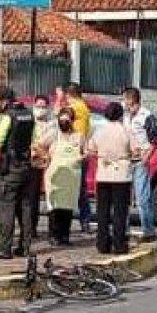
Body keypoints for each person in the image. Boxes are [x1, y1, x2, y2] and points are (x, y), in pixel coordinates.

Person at [0, 86, 35, 259]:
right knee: (25, 208)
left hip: (10, 168)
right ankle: (26, 246)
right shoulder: (28, 114)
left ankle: (4, 248)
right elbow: (33, 139)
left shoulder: (7, 116)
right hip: (26, 166)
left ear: (3, 101)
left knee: (6, 207)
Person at [87, 102, 137, 255]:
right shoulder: (126, 131)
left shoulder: (99, 131)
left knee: (102, 211)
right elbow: (135, 150)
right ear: (121, 115)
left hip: (104, 173)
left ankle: (102, 244)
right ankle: (119, 244)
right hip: (122, 175)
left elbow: (91, 148)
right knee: (120, 212)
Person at [36, 106, 84, 246]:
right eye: (61, 120)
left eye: (67, 120)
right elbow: (38, 145)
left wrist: (82, 157)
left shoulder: (78, 136)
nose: (64, 123)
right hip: (55, 175)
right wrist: (45, 156)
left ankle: (65, 236)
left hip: (72, 177)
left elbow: (84, 151)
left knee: (68, 207)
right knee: (55, 206)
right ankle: (53, 236)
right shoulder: (53, 134)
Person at [123, 87, 157, 243]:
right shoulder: (125, 117)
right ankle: (123, 230)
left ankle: (149, 231)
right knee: (124, 198)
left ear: (132, 99)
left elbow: (154, 139)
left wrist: (147, 157)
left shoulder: (146, 116)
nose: (123, 102)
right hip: (126, 160)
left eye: (125, 99)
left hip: (140, 161)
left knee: (142, 198)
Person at [64, 82, 94, 233]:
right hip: (82, 150)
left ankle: (77, 223)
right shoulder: (84, 107)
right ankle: (85, 221)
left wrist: (58, 101)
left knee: (71, 189)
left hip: (74, 151)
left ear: (68, 95)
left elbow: (62, 123)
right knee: (81, 189)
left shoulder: (74, 108)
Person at [25, 96, 53, 238]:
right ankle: (31, 227)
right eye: (38, 106)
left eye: (43, 106)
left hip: (47, 163)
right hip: (32, 162)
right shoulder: (30, 122)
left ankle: (52, 229)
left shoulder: (51, 125)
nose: (40, 109)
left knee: (49, 197)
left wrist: (39, 148)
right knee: (31, 197)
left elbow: (48, 142)